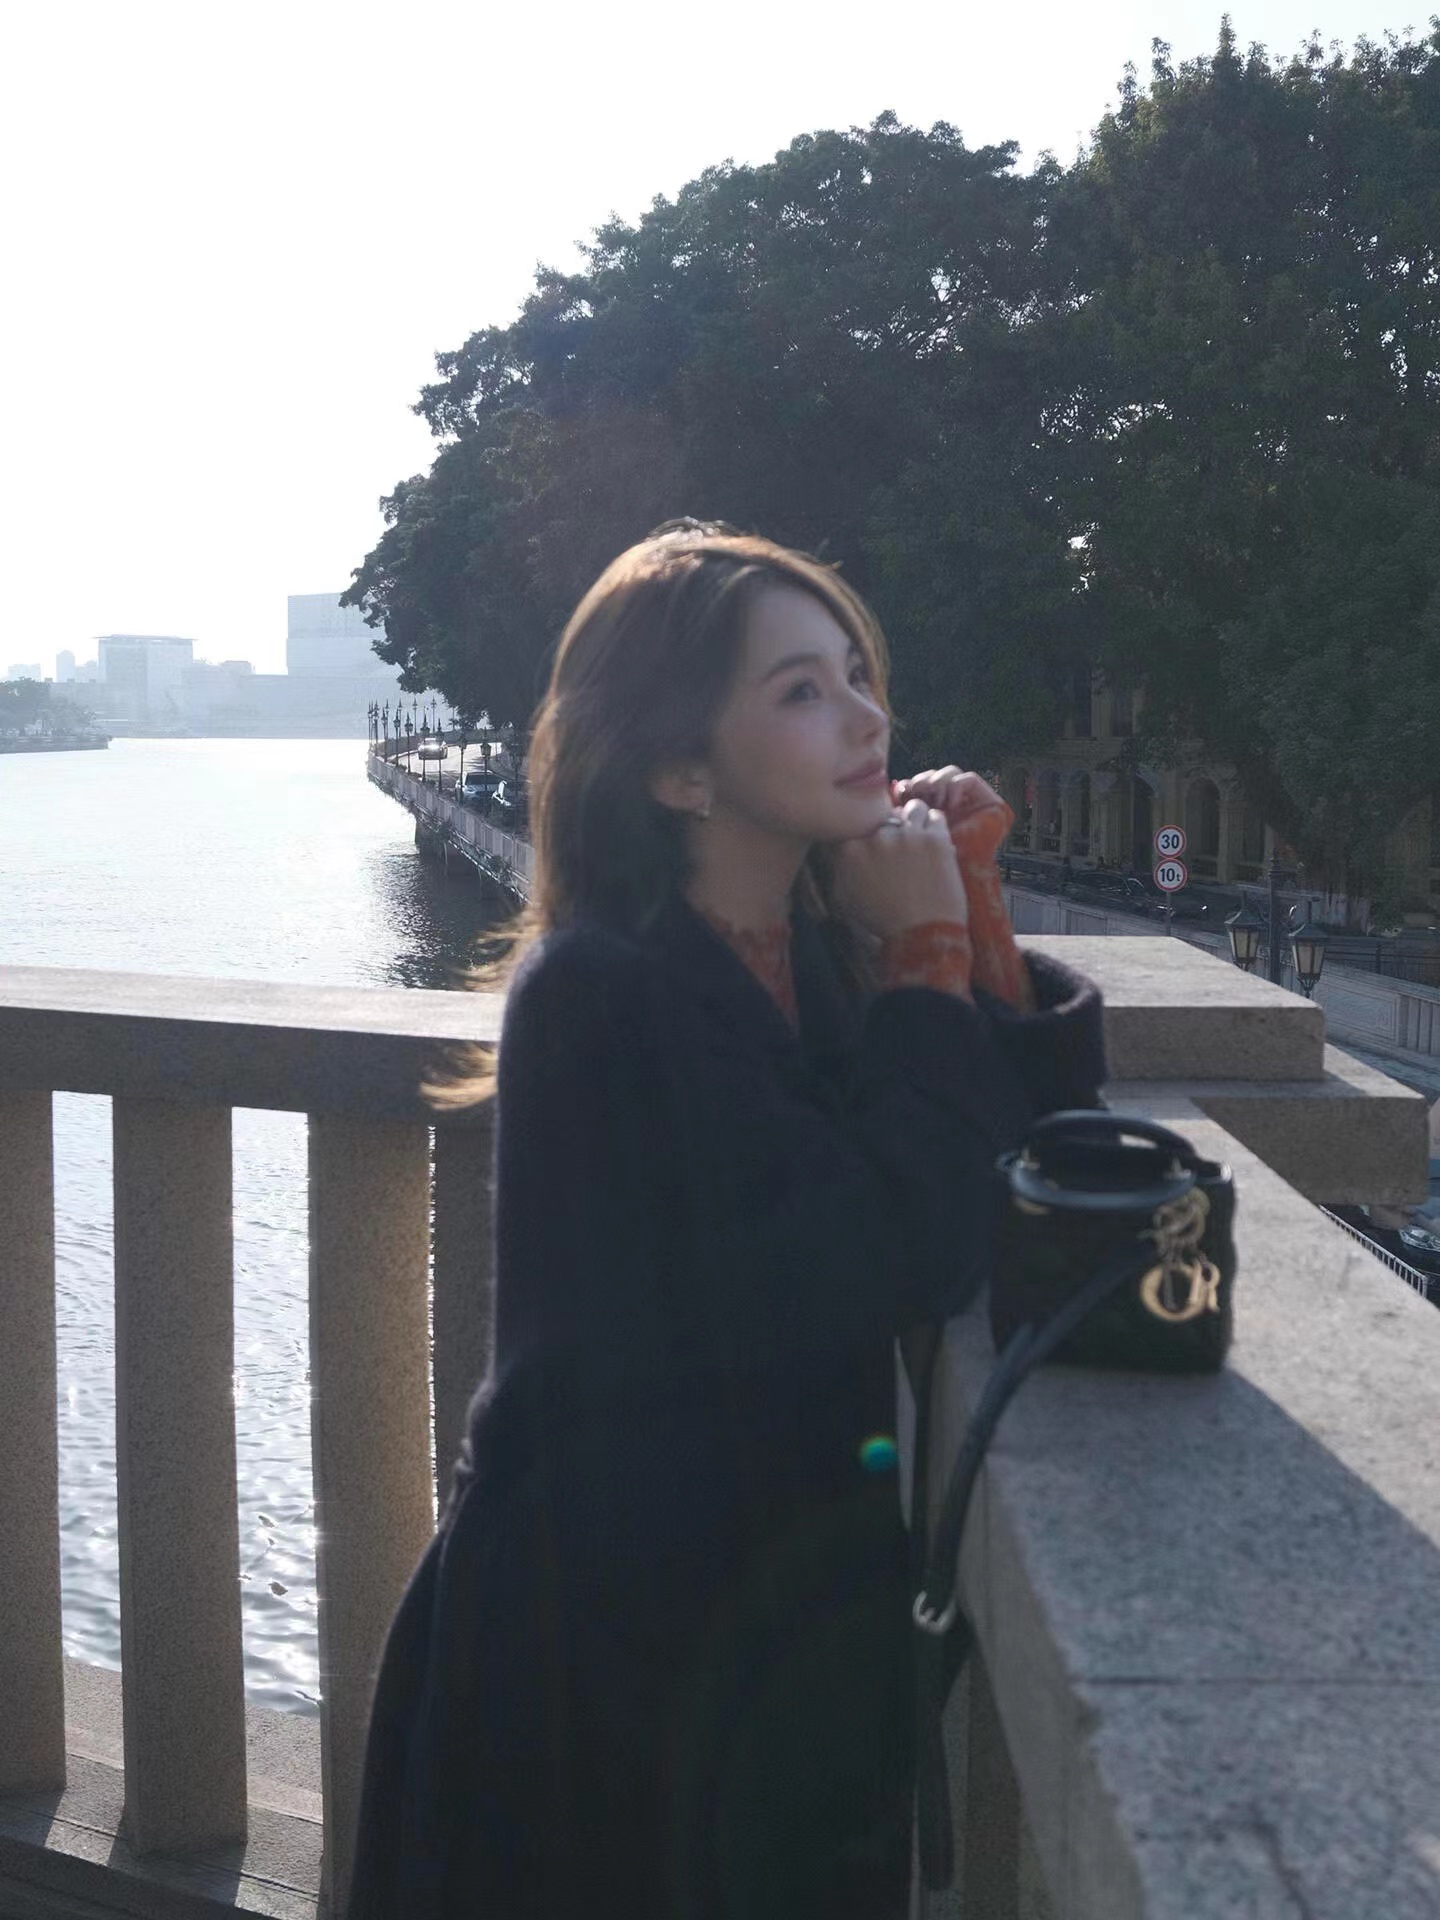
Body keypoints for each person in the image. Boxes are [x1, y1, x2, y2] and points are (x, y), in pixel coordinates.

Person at [348, 522, 1106, 1920]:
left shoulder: (803, 950)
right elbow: (899, 1245)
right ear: (679, 769)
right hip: (589, 1666)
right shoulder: (606, 992)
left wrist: (970, 913)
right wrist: (927, 956)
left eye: (858, 675)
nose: (865, 716)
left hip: (754, 1640)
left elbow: (1020, 1152)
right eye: (802, 690)